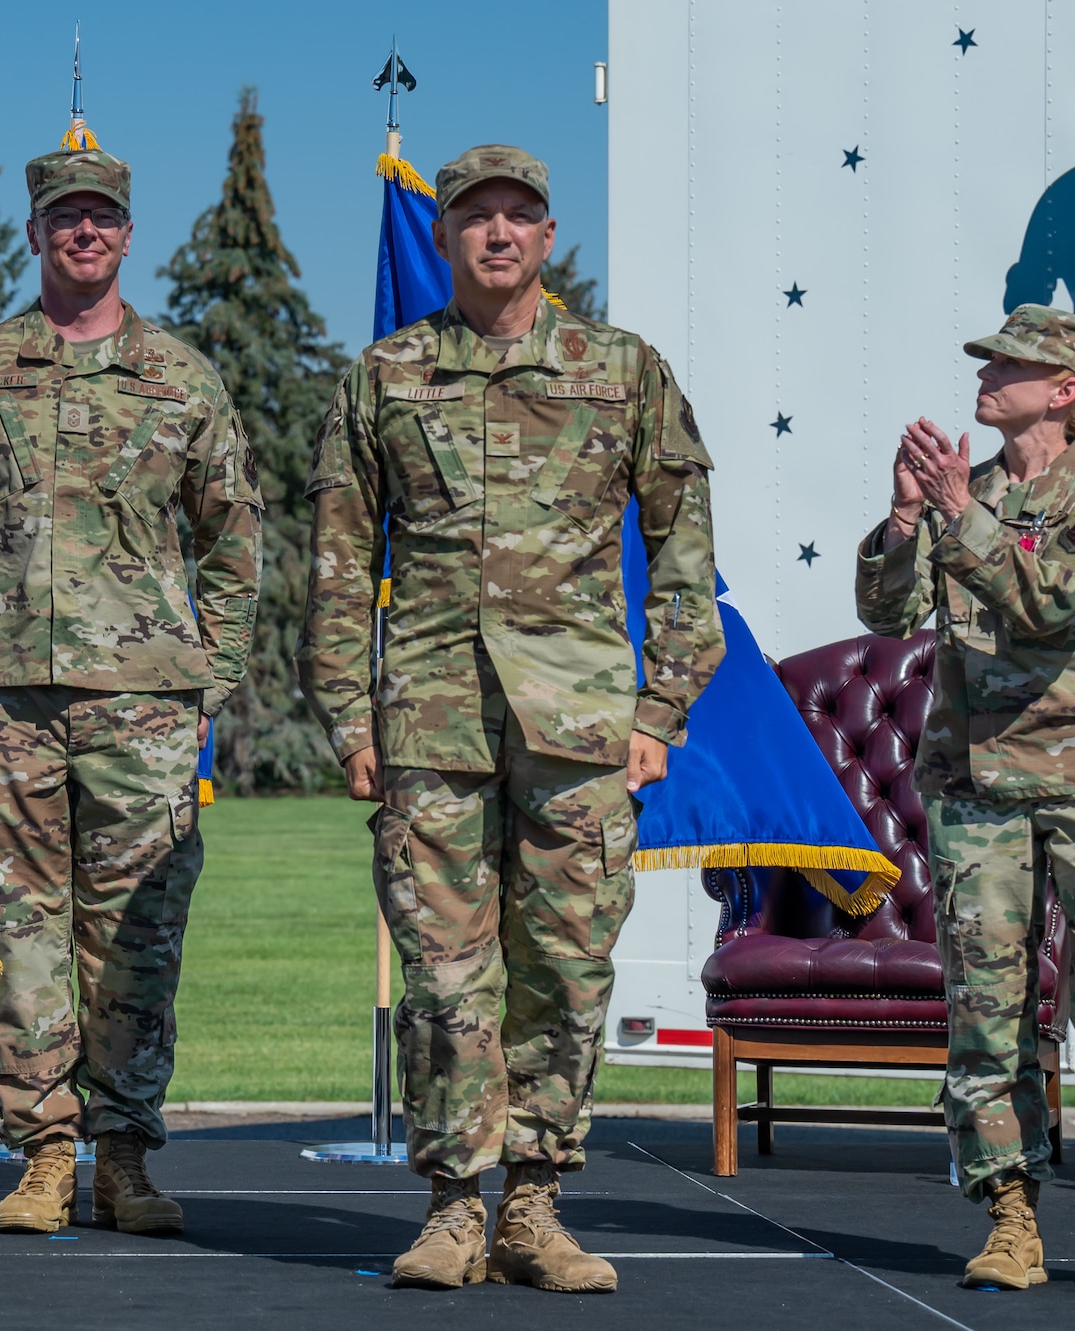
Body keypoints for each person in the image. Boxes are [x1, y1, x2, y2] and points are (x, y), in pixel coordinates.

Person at [299, 144, 724, 1293]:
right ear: (443, 238)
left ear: (546, 236)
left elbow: (683, 550)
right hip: (428, 720)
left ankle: (534, 1203)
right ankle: (450, 1206)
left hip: (580, 725)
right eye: (474, 216)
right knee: (444, 979)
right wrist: (348, 718)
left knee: (564, 972)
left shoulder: (621, 370)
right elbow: (338, 561)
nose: (496, 234)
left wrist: (661, 705)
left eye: (517, 216)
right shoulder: (383, 376)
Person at [0, 146, 261, 1236]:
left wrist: (206, 678)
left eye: (102, 219)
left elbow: (233, 538)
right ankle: (41, 1151)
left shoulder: (180, 377)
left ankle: (124, 1153)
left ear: (130, 236)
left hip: (143, 704)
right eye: (63, 217)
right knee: (21, 934)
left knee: (135, 938)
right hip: (5, 697)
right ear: (34, 234)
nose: (83, 233)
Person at [856, 305, 1075, 1295]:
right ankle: (1008, 1215)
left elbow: (1042, 606)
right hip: (975, 786)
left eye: (1008, 362)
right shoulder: (974, 488)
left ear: (1065, 391)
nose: (985, 372)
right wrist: (908, 515)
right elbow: (883, 611)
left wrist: (956, 509)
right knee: (986, 1009)